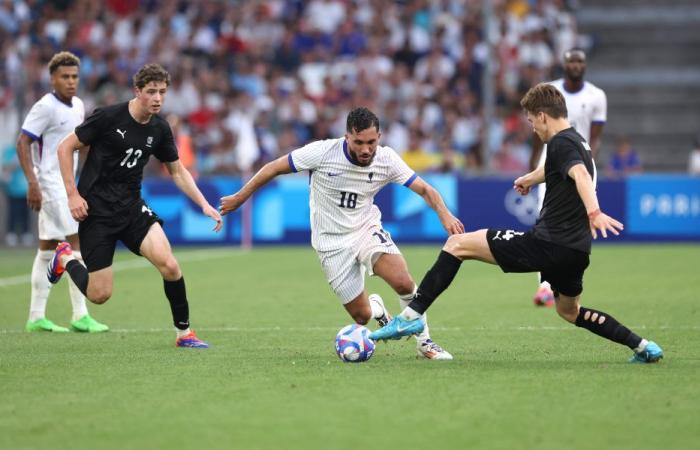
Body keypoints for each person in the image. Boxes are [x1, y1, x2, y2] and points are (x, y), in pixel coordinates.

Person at [370, 83, 663, 364]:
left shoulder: (560, 143)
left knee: (457, 244)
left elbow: (580, 176)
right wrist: (530, 179)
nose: (532, 127)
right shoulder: (577, 141)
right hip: (576, 251)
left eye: (532, 120)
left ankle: (410, 318)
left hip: (547, 244)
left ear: (543, 116)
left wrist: (594, 211)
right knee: (570, 312)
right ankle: (642, 346)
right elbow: (558, 169)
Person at [219, 107, 464, 360]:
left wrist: (444, 214)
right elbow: (273, 168)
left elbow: (425, 189)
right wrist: (239, 197)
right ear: (347, 136)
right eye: (359, 142)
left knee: (403, 281)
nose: (366, 149)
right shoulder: (322, 152)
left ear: (379, 137)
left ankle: (425, 345)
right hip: (330, 243)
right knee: (361, 316)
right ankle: (377, 311)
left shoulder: (387, 159)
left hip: (365, 229)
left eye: (371, 142)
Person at [49, 63, 222, 348]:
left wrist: (203, 204)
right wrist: (72, 195)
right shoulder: (107, 117)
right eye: (151, 92)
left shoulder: (160, 128)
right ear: (137, 91)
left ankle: (184, 334)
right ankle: (67, 258)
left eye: (162, 92)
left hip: (131, 208)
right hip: (97, 212)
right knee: (100, 295)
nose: (157, 98)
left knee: (169, 265)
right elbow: (65, 147)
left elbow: (177, 171)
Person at [16, 51, 108, 333]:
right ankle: (80, 315)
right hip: (50, 183)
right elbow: (23, 142)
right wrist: (33, 182)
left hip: (65, 181)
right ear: (52, 79)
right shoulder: (45, 106)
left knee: (47, 249)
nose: (70, 81)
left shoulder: (78, 105)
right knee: (75, 242)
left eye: (74, 76)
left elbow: (78, 143)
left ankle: (35, 317)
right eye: (64, 76)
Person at [529, 48, 607, 307]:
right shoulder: (550, 91)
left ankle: (567, 283)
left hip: (579, 165)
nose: (575, 64)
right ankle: (544, 286)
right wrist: (533, 163)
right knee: (545, 216)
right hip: (550, 163)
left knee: (579, 219)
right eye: (571, 61)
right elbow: (536, 130)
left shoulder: (597, 96)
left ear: (585, 65)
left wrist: (587, 162)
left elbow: (595, 137)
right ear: (564, 64)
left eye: (580, 61)